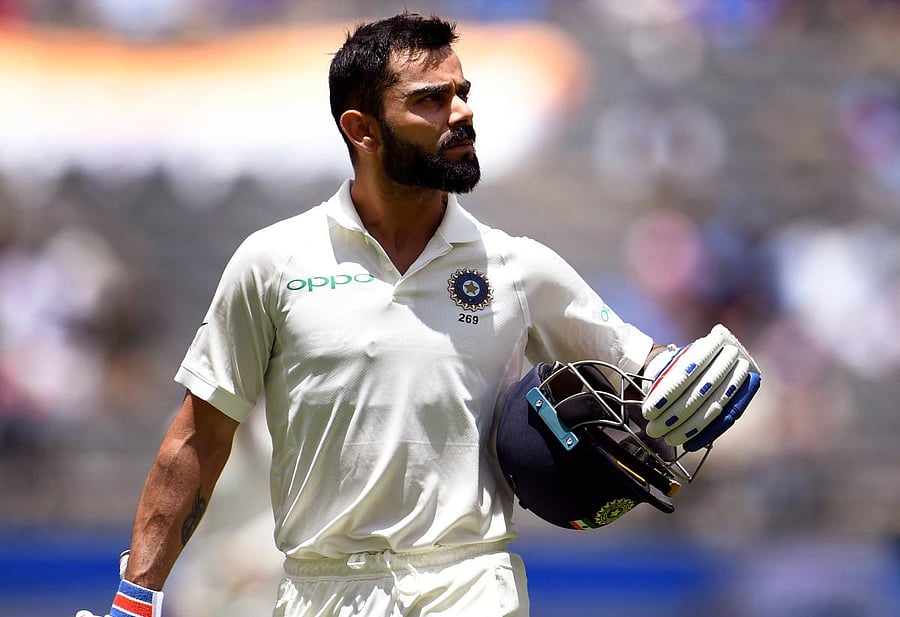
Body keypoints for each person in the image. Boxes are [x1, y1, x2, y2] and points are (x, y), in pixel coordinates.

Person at [77, 11, 758, 617]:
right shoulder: (273, 261)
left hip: (470, 585)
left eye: (463, 93)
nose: (460, 113)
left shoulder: (518, 266)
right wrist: (136, 599)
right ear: (361, 129)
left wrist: (694, 380)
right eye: (430, 100)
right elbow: (197, 440)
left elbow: (648, 370)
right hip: (320, 591)